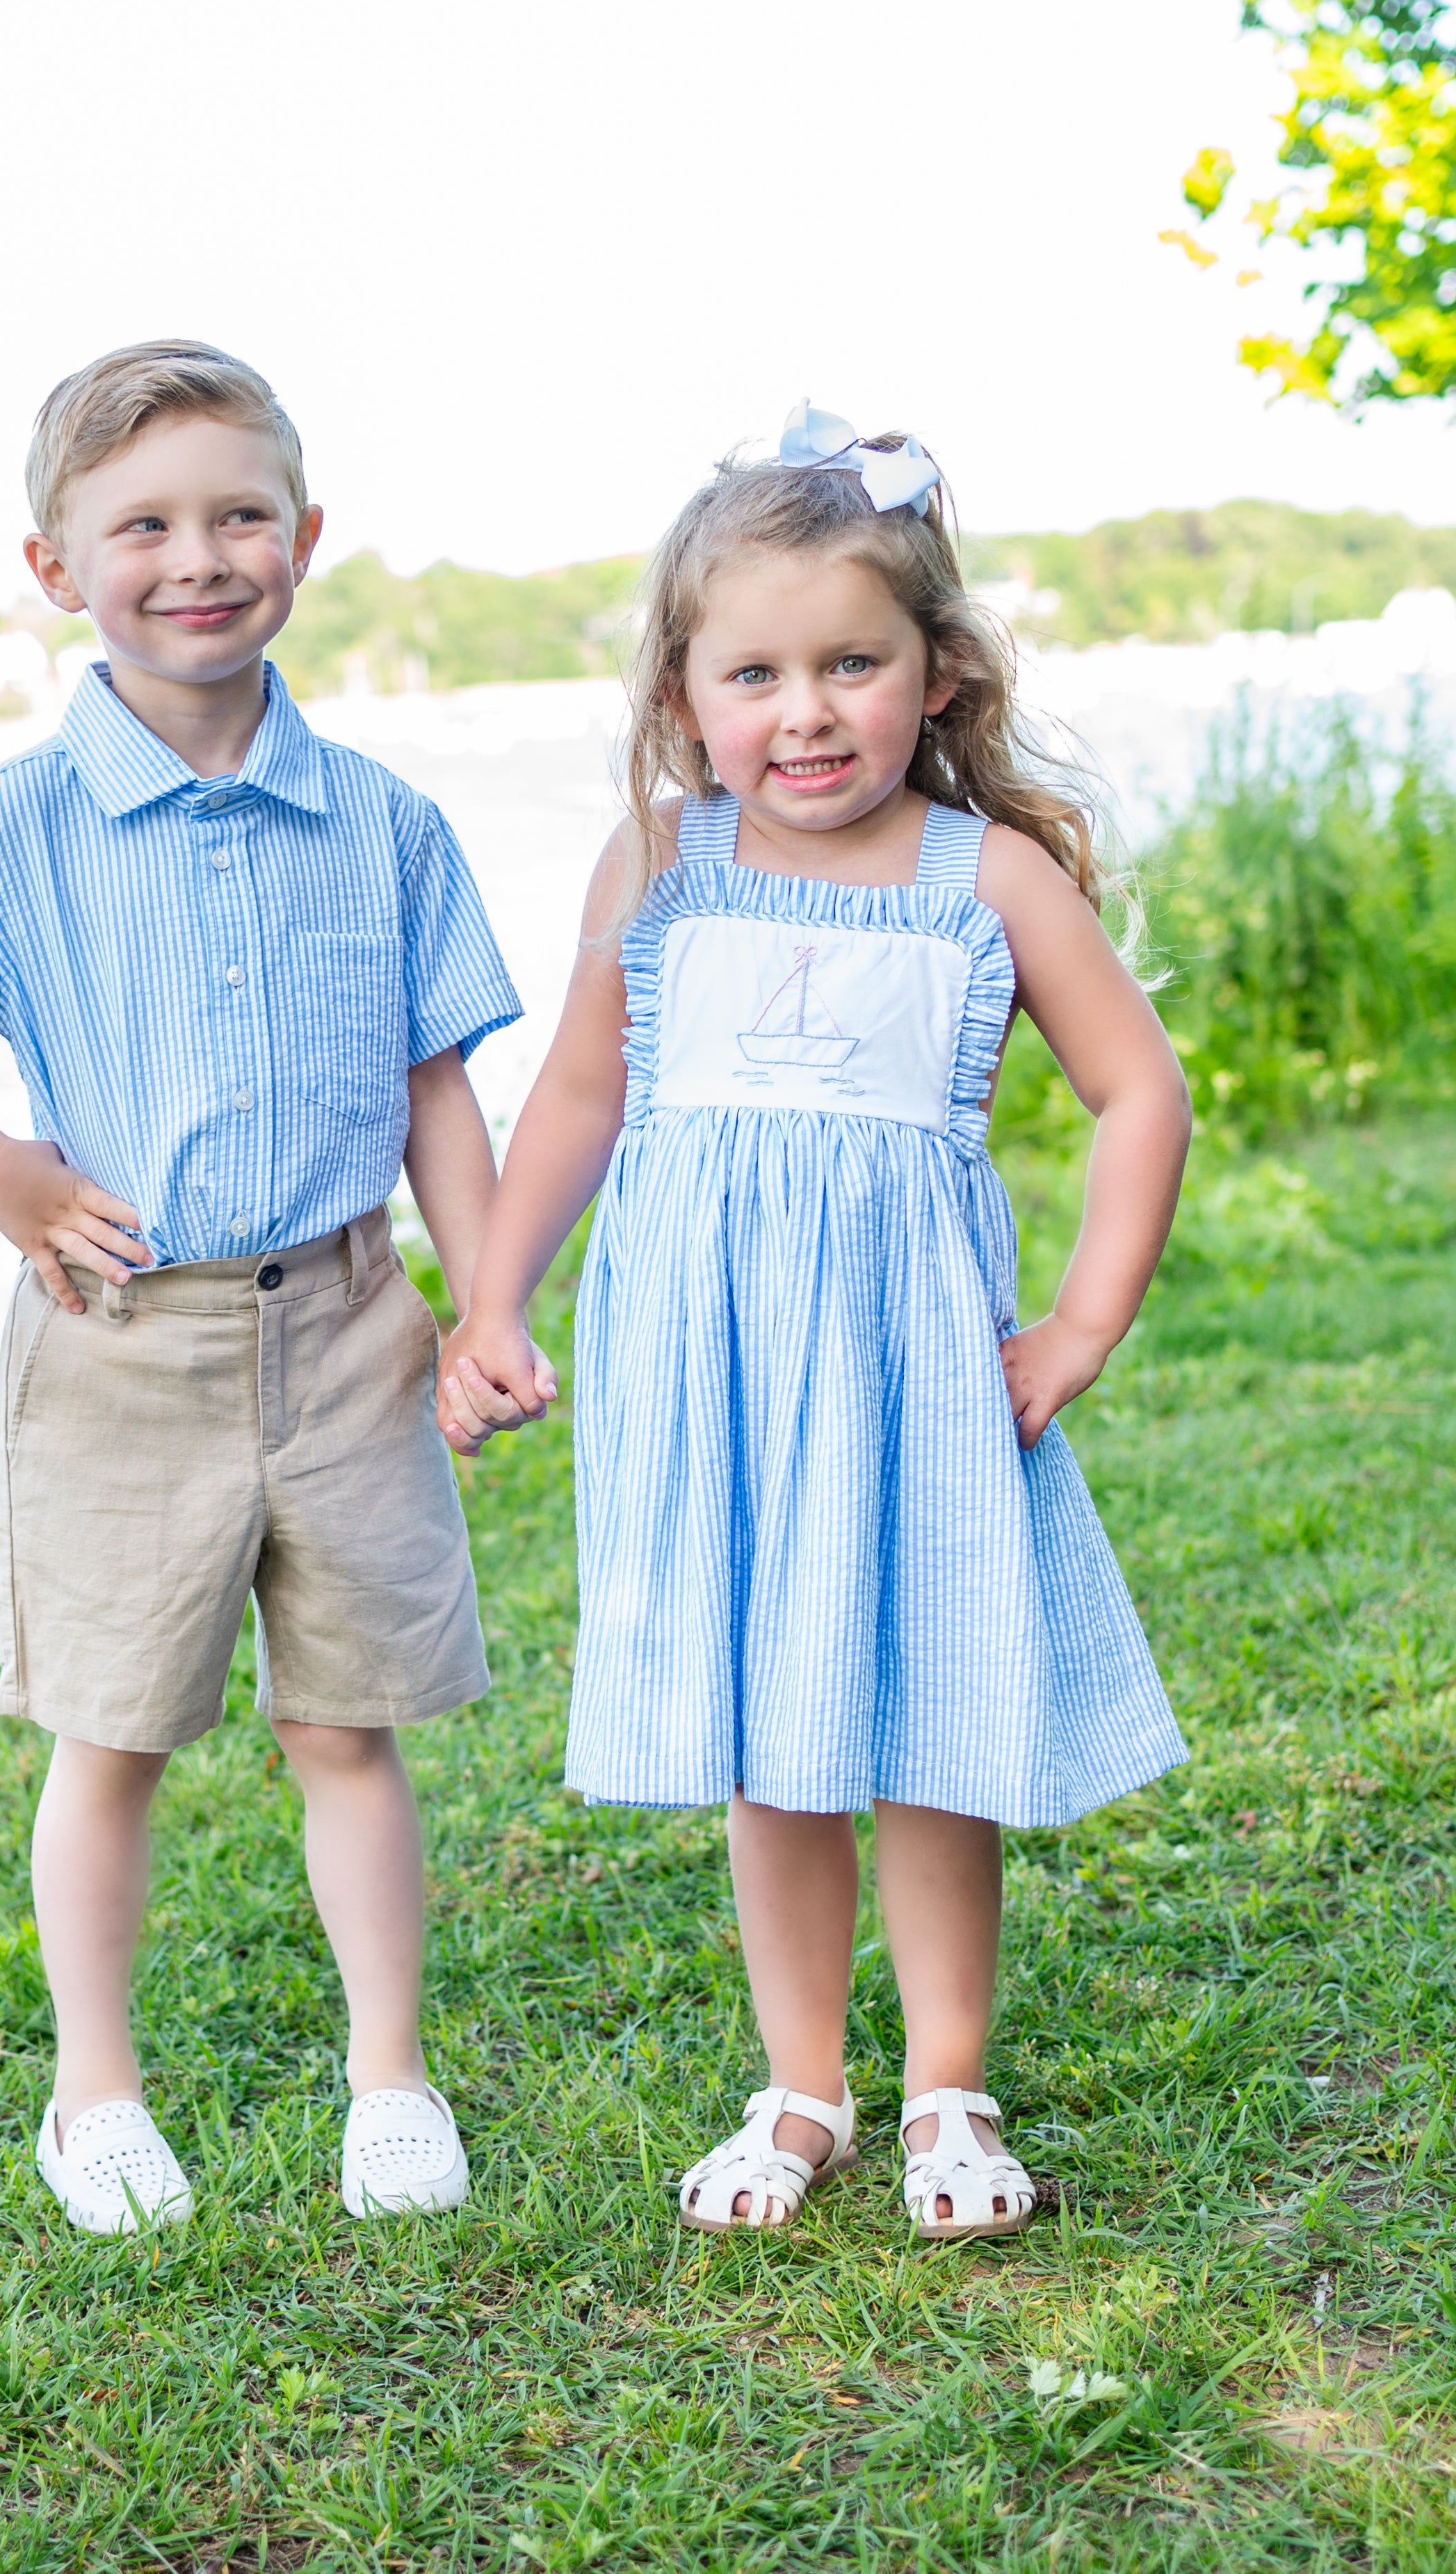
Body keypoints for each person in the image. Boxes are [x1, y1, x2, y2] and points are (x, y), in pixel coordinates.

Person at [0, 339, 521, 2233]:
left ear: (305, 537)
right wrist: (5, 1175)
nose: (199, 559)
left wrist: (486, 1301)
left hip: (349, 1326)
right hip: (124, 1345)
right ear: (57, 569)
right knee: (110, 1735)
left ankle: (390, 2076)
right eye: (145, 528)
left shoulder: (384, 821)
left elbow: (438, 1081)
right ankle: (92, 2093)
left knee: (345, 1725)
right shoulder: (12, 826)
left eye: (239, 515)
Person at [438, 403, 1192, 2242]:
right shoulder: (659, 865)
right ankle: (803, 2089)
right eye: (756, 674)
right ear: (682, 694)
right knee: (768, 1738)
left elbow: (1142, 1092)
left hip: (912, 1382)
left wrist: (1078, 1329)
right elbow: (581, 1097)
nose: (808, 712)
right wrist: (492, 1296)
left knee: (928, 1723)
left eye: (854, 663)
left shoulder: (983, 879)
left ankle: (948, 2087)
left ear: (939, 674)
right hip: (709, 1380)